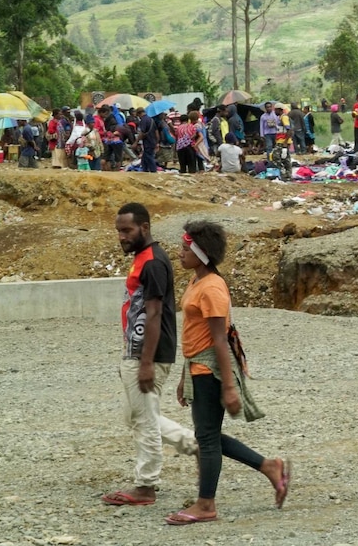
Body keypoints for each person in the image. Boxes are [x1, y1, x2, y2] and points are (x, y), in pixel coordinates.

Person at [165, 220, 290, 525]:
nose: (179, 253)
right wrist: (184, 378)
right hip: (196, 366)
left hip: (210, 368)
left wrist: (230, 387)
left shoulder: (212, 288)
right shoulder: (197, 281)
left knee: (206, 437)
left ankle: (206, 505)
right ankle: (270, 467)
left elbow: (219, 340)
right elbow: (194, 333)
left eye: (185, 248)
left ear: (201, 252)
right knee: (206, 435)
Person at [103, 203, 197, 507]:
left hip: (148, 354)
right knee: (136, 415)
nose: (121, 236)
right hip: (137, 351)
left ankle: (146, 486)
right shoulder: (142, 259)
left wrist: (144, 362)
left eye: (127, 230)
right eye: (119, 230)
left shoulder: (153, 263)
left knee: (143, 420)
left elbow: (155, 314)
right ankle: (195, 445)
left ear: (145, 227)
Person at [136, 107, 158, 173]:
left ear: (139, 114)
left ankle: (154, 172)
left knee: (149, 157)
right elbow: (157, 133)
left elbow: (142, 132)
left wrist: (136, 142)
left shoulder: (143, 120)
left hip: (148, 142)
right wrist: (157, 142)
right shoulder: (151, 120)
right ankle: (144, 170)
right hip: (153, 141)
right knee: (145, 158)